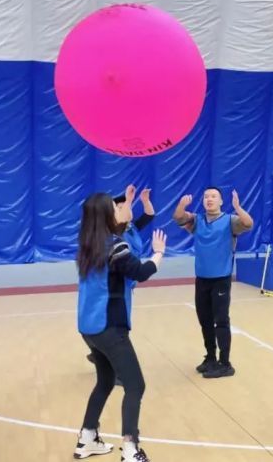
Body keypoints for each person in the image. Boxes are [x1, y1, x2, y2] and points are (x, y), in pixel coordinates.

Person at [74, 187, 165, 461]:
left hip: (89, 328)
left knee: (105, 381)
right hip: (110, 327)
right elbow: (141, 272)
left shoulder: (88, 244)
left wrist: (131, 202)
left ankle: (87, 438)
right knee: (136, 385)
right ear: (106, 215)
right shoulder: (115, 246)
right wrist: (159, 253)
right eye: (116, 207)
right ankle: (130, 449)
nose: (121, 208)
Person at [173, 187, 253, 378]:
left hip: (221, 279)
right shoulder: (197, 220)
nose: (209, 199)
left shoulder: (230, 221)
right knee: (205, 320)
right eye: (206, 196)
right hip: (202, 279)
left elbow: (248, 223)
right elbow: (178, 217)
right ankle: (210, 357)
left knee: (221, 320)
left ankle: (225, 363)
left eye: (214, 196)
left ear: (221, 201)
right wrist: (182, 205)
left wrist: (238, 208)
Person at [87, 187, 154, 367]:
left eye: (128, 207)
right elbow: (121, 220)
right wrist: (129, 200)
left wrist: (144, 200)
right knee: (115, 320)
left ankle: (101, 352)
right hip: (115, 278)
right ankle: (107, 355)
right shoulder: (117, 231)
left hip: (127, 276)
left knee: (114, 318)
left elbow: (149, 215)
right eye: (120, 208)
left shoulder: (132, 228)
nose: (127, 209)